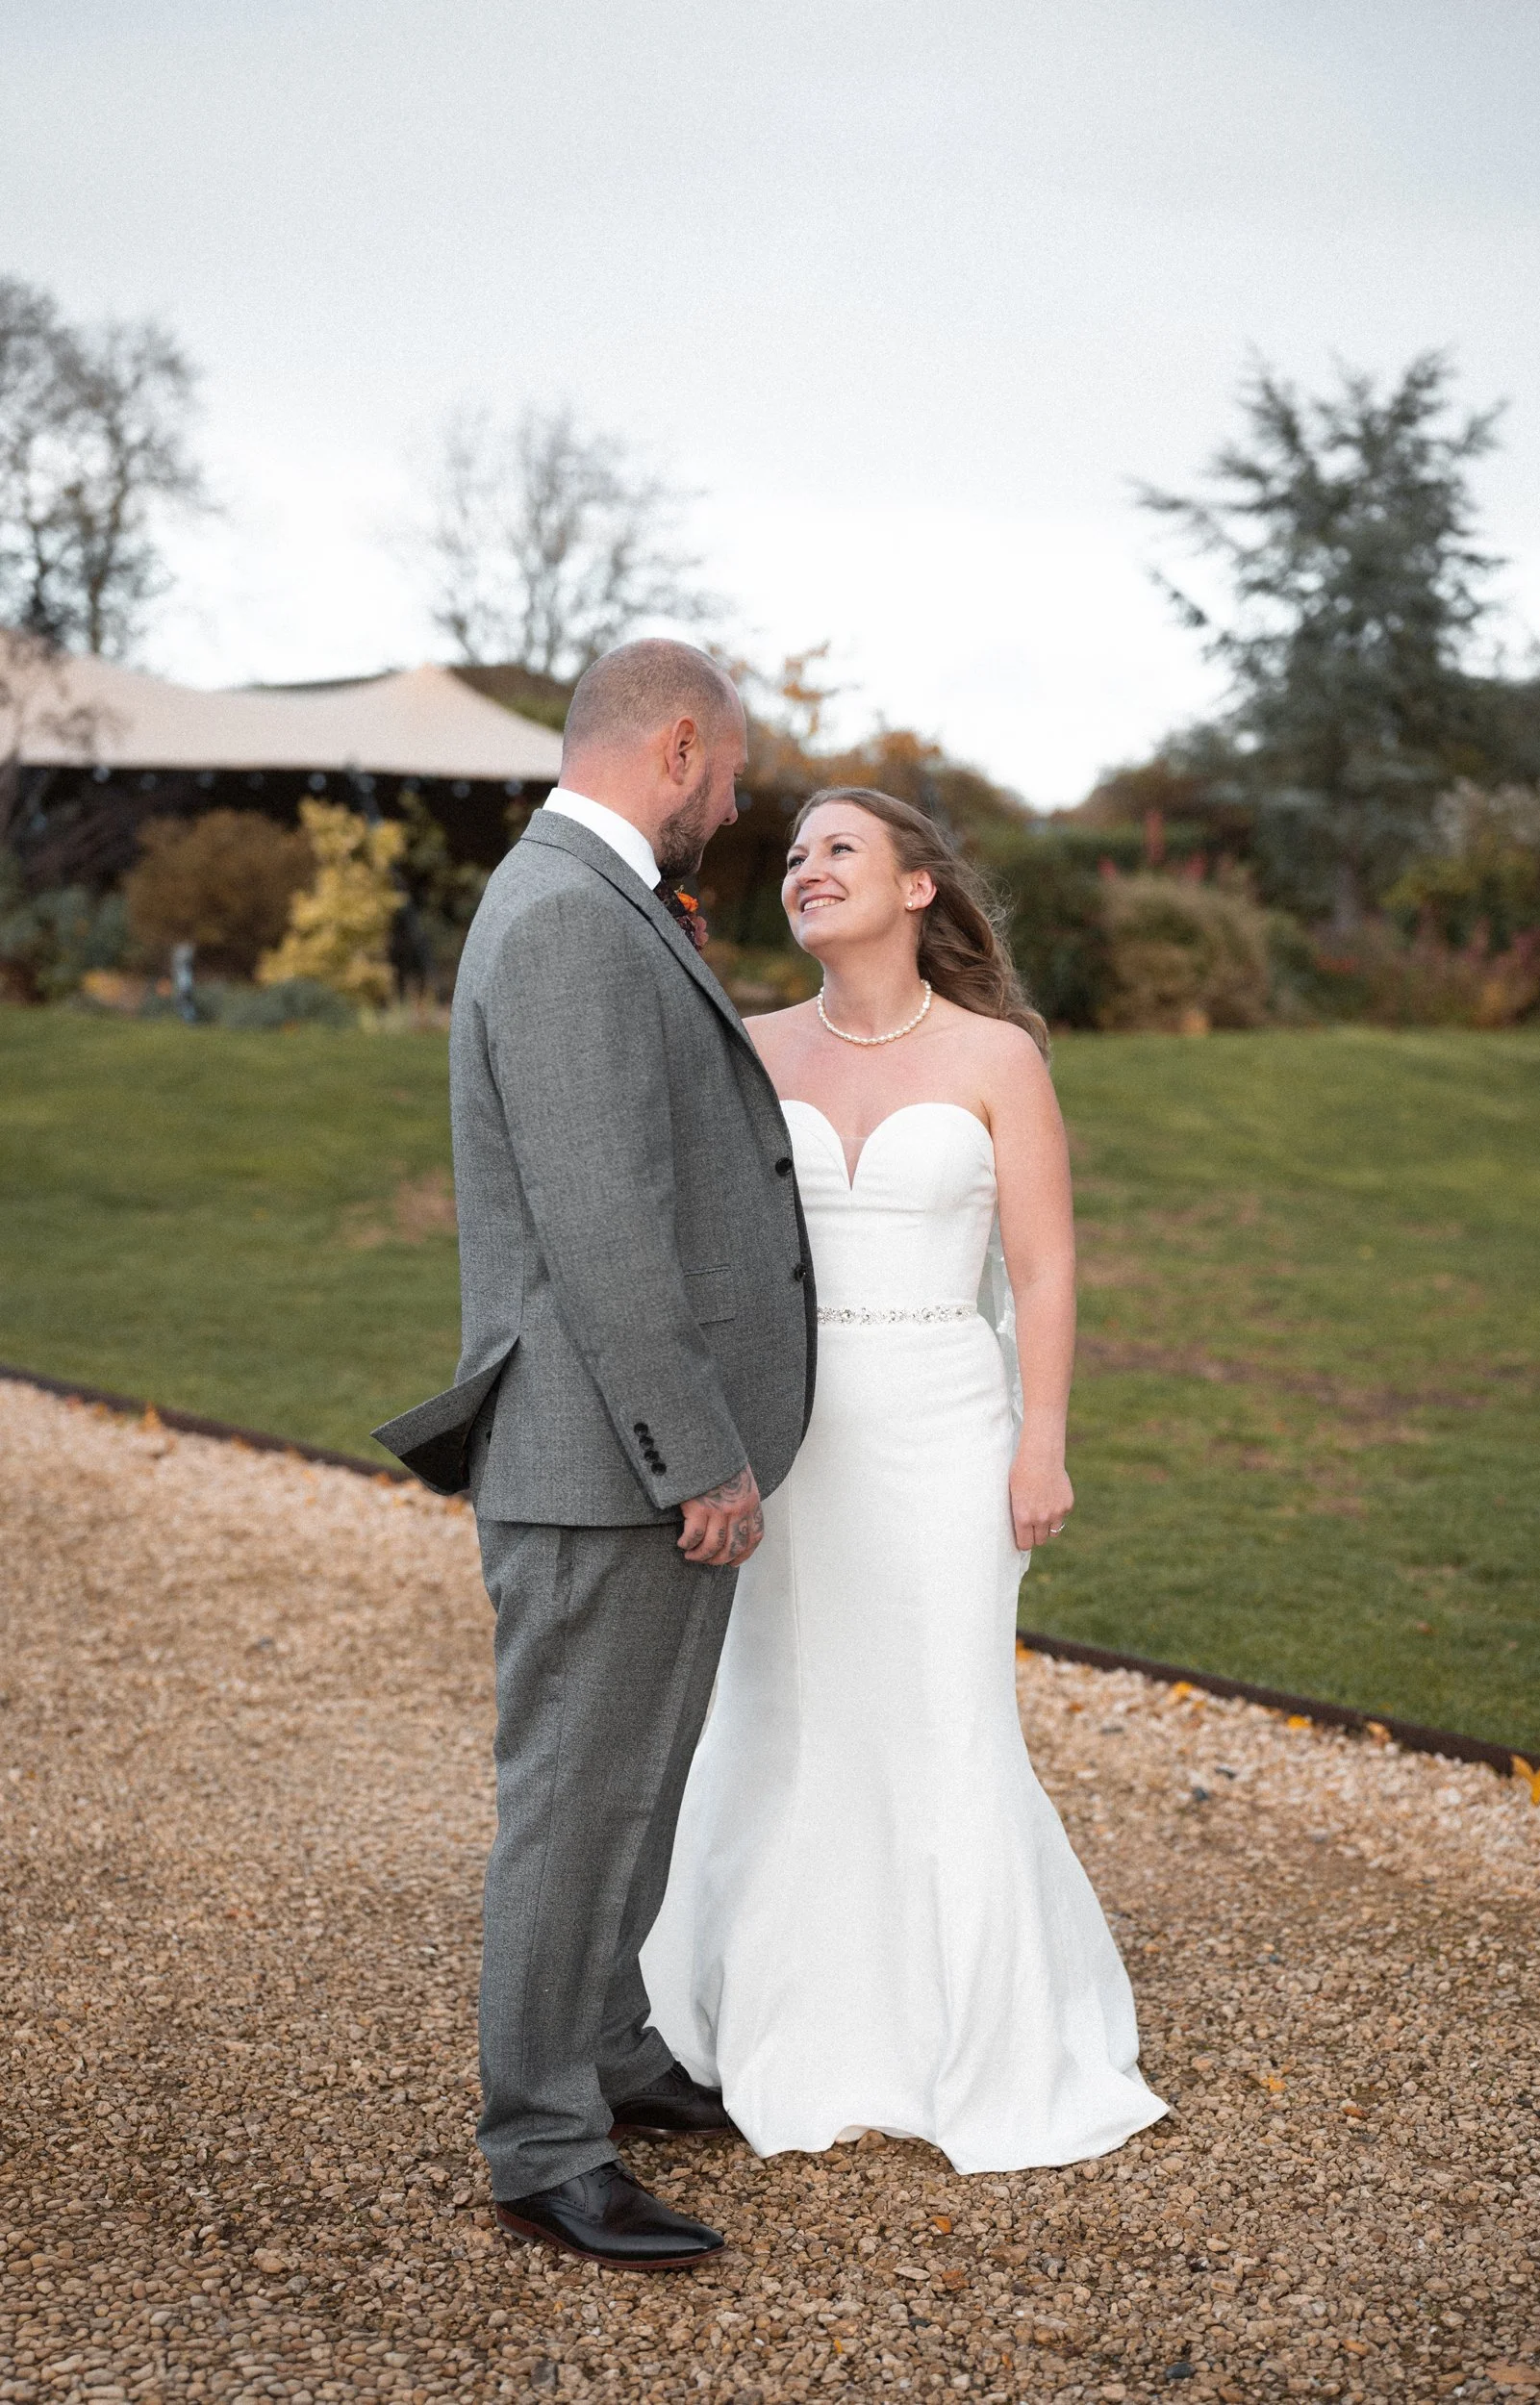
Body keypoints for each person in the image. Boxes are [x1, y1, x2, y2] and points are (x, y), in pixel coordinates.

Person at [641, 787, 1168, 2173]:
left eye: (840, 850)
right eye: (798, 853)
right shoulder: (748, 1047)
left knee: (943, 1714)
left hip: (946, 1424)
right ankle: (774, 2021)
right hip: (791, 1437)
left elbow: (1043, 1267)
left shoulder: (997, 1057)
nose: (807, 871)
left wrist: (1039, 1438)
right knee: (782, 1715)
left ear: (919, 887)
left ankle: (973, 2042)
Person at [373, 641, 816, 2268]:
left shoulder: (591, 895)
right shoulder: (566, 912)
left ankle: (609, 2054)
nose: (741, 801)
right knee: (576, 1800)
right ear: (680, 745)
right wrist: (696, 1455)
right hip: (604, 1456)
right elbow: (605, 1227)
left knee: (633, 1782)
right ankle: (541, 2142)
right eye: (738, 770)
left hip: (615, 1451)